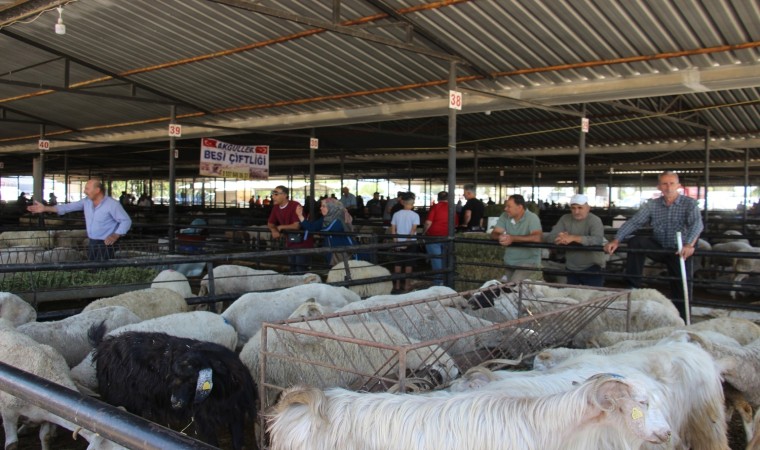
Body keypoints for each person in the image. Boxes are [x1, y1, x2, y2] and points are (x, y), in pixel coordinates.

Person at [604, 170, 703, 320]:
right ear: (659, 187)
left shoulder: (689, 204)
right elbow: (635, 222)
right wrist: (617, 239)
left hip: (680, 250)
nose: (668, 187)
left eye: (672, 183)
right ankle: (633, 285)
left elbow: (696, 224)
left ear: (678, 186)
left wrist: (689, 244)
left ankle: (682, 318)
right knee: (636, 241)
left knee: (681, 285)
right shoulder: (653, 205)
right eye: (664, 184)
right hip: (660, 246)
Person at [27, 179, 131, 261]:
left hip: (107, 243)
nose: (84, 191)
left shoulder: (112, 204)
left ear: (97, 190)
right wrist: (45, 208)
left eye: (87, 189)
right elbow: (68, 207)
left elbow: (126, 221)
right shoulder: (86, 202)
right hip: (92, 241)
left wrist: (116, 235)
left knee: (104, 269)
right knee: (93, 267)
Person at [546, 194, 606, 287]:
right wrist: (559, 238)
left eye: (580, 208)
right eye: (573, 208)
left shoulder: (595, 220)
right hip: (571, 266)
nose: (576, 211)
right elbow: (550, 237)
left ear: (588, 208)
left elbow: (597, 240)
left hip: (592, 266)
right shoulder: (565, 218)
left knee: (593, 294)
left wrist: (573, 238)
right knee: (572, 294)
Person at [490, 194, 543, 283]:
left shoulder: (532, 218)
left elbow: (537, 237)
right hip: (509, 261)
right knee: (505, 286)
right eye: (506, 206)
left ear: (519, 207)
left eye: (509, 206)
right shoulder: (505, 216)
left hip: (528, 262)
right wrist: (500, 236)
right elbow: (494, 233)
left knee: (514, 284)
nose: (505, 209)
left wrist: (513, 238)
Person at [267, 185, 314, 273]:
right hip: (290, 242)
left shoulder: (295, 205)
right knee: (292, 267)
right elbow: (270, 223)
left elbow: (296, 226)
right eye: (273, 194)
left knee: (300, 269)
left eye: (276, 194)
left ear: (285, 195)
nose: (273, 197)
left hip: (302, 243)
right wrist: (274, 230)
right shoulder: (276, 207)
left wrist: (280, 227)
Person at [296, 197, 355, 266]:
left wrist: (318, 231)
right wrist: (300, 215)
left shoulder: (339, 218)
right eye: (321, 206)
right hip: (332, 251)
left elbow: (327, 230)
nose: (320, 208)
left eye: (323, 206)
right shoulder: (325, 218)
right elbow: (312, 227)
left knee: (342, 271)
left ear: (331, 207)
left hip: (343, 252)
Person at [423, 191, 458, 286]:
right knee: (446, 259)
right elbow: (455, 224)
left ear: (438, 198)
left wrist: (423, 233)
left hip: (433, 237)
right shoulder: (452, 208)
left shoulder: (435, 207)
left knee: (436, 259)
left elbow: (428, 222)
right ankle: (447, 281)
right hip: (447, 237)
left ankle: (438, 282)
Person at [390, 192, 420, 293]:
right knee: (409, 264)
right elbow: (413, 229)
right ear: (412, 204)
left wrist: (396, 242)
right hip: (410, 243)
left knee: (398, 263)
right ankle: (407, 285)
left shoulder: (396, 214)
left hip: (398, 241)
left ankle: (397, 285)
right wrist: (407, 242)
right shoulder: (415, 215)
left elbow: (393, 229)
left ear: (403, 203)